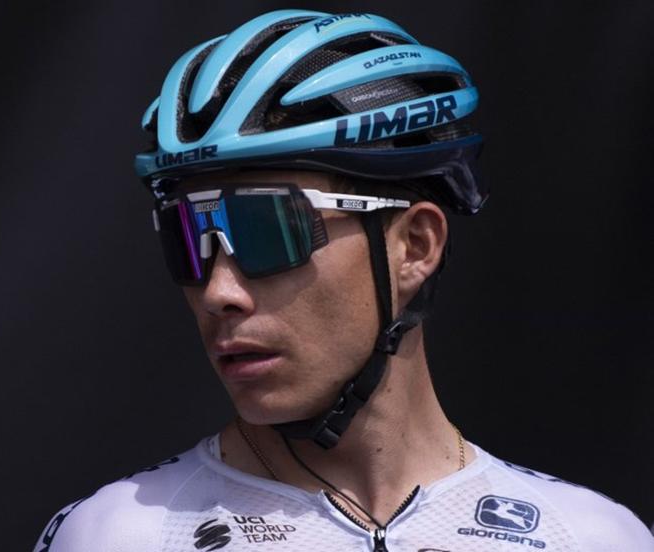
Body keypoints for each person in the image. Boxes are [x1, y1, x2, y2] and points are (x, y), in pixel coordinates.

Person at [34, 10, 654, 551]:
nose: (220, 291)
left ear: (415, 246)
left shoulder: (596, 539)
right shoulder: (115, 536)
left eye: (267, 230)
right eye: (187, 242)